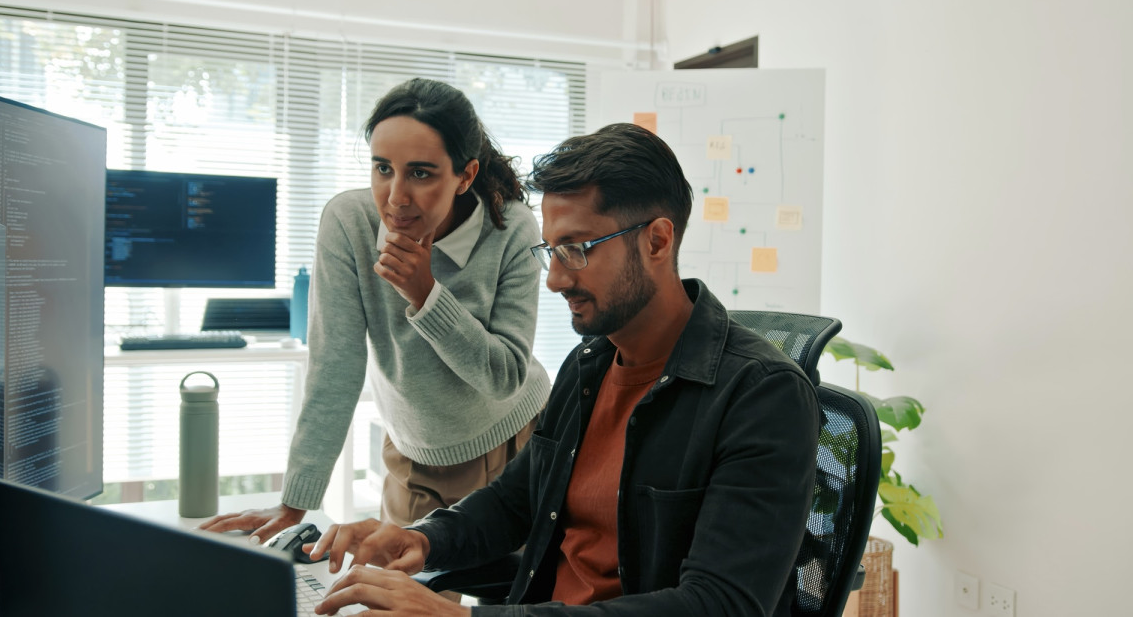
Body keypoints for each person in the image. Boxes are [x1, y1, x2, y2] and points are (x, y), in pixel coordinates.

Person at [307, 122, 821, 616]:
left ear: (658, 242)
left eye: (576, 250)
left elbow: (719, 605)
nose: (553, 280)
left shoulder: (762, 397)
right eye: (550, 251)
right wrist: (422, 538)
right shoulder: (590, 364)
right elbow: (516, 501)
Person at [200, 78, 551, 541]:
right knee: (399, 603)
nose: (395, 196)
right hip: (414, 451)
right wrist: (294, 503)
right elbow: (334, 366)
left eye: (421, 173)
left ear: (465, 175)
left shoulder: (513, 229)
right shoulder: (350, 223)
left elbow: (505, 376)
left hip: (515, 442)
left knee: (508, 605)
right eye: (383, 168)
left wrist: (425, 294)